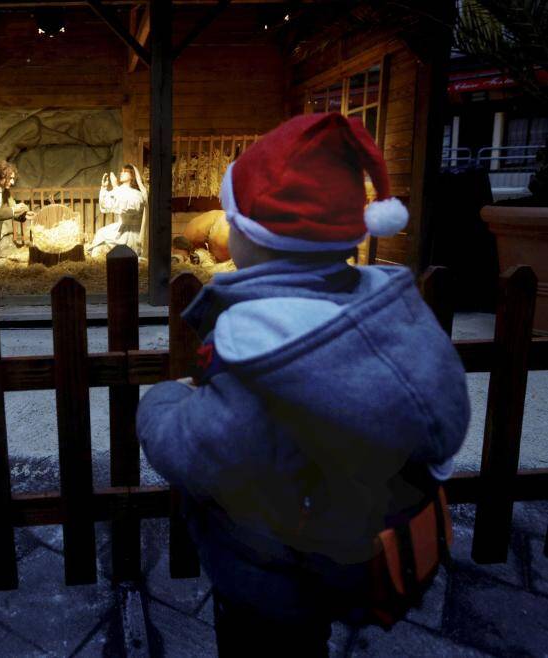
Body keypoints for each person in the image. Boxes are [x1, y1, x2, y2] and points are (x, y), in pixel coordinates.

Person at [136, 113, 470, 656]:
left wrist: (164, 401)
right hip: (343, 553)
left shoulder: (269, 345)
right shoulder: (388, 311)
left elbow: (196, 448)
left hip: (270, 573)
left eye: (232, 218)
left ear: (246, 236)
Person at [86, 163, 147, 258]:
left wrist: (115, 186)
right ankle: (98, 260)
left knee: (127, 250)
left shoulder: (137, 194)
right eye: (121, 171)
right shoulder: (119, 189)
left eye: (125, 171)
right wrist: (104, 187)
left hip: (132, 232)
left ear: (132, 175)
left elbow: (130, 208)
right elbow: (105, 204)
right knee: (101, 233)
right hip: (120, 228)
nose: (121, 173)